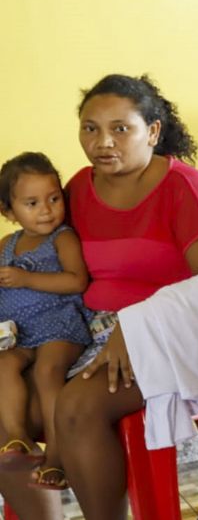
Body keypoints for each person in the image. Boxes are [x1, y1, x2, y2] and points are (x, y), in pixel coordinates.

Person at [36, 74, 198, 520]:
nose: (102, 141)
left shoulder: (185, 188)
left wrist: (137, 323)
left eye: (120, 128)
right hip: (88, 328)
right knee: (14, 396)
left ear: (154, 131)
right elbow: (48, 257)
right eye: (90, 128)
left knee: (77, 405)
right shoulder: (79, 189)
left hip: (175, 332)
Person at [0, 152, 91, 491]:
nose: (47, 209)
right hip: (18, 335)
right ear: (8, 211)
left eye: (54, 199)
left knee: (46, 372)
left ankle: (57, 453)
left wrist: (25, 279)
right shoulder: (6, 246)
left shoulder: (62, 238)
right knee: (3, 364)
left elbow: (76, 281)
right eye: (32, 203)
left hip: (60, 325)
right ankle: (18, 437)